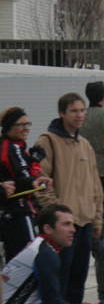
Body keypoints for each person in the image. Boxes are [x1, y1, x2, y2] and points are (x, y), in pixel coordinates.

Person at [34, 92, 102, 304]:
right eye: (73, 111)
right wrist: (56, 214)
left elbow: (96, 187)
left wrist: (97, 220)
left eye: (82, 110)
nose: (79, 115)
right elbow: (41, 182)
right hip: (62, 226)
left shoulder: (85, 144)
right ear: (62, 113)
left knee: (77, 279)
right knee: (59, 278)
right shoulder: (48, 142)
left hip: (85, 223)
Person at [0, 107, 53, 262]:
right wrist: (35, 164)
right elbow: (30, 180)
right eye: (21, 124)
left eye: (28, 123)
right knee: (30, 260)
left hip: (15, 213)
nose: (26, 128)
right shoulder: (13, 147)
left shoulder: (14, 146)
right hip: (19, 212)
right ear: (9, 127)